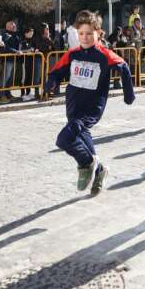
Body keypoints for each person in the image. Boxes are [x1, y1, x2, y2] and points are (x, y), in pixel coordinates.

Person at [46, 10, 135, 196]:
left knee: (64, 139)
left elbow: (124, 67)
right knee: (82, 136)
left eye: (89, 33)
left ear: (98, 33)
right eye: (81, 33)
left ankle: (85, 164)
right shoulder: (72, 54)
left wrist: (129, 94)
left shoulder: (104, 55)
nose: (85, 37)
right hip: (73, 106)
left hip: (91, 109)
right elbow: (57, 71)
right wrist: (52, 82)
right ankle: (99, 170)